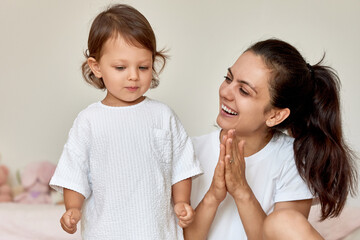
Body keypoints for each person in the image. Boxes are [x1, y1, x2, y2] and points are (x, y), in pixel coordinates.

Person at [49, 4, 202, 240]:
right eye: (121, 67)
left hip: (156, 231)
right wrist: (73, 208)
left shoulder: (163, 115)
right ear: (96, 67)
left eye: (143, 67)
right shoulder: (89, 120)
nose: (133, 75)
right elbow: (74, 172)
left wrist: (182, 202)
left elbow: (181, 166)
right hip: (106, 231)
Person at [184, 39, 357, 240]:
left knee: (283, 221)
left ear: (275, 116)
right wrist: (213, 196)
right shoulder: (189, 150)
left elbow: (281, 235)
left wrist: (242, 191)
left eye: (244, 91)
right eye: (228, 78)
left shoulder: (293, 160)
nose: (225, 92)